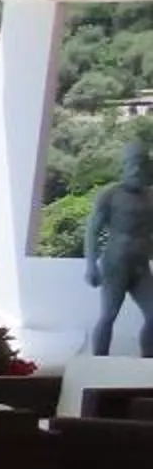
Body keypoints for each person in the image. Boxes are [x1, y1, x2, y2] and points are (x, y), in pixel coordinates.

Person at [86, 139, 153, 357]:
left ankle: (148, 362)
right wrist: (91, 266)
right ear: (124, 166)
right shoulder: (110, 195)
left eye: (142, 164)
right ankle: (99, 360)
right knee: (109, 314)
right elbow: (93, 231)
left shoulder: (151, 197)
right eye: (133, 164)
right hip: (116, 263)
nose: (137, 169)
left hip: (141, 266)